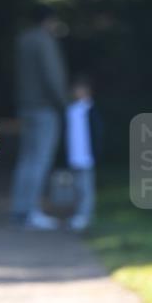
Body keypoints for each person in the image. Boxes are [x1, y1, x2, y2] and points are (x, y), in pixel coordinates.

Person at [10, 4, 69, 229]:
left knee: (26, 159)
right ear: (50, 20)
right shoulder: (45, 41)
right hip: (45, 108)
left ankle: (20, 209)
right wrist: (63, 104)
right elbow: (52, 77)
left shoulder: (23, 40)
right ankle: (31, 212)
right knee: (40, 160)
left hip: (26, 106)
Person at [65, 75, 103, 231]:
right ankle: (78, 214)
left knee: (86, 187)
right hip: (74, 155)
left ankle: (85, 215)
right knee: (76, 186)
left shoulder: (91, 111)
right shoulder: (71, 110)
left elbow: (97, 134)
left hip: (87, 156)